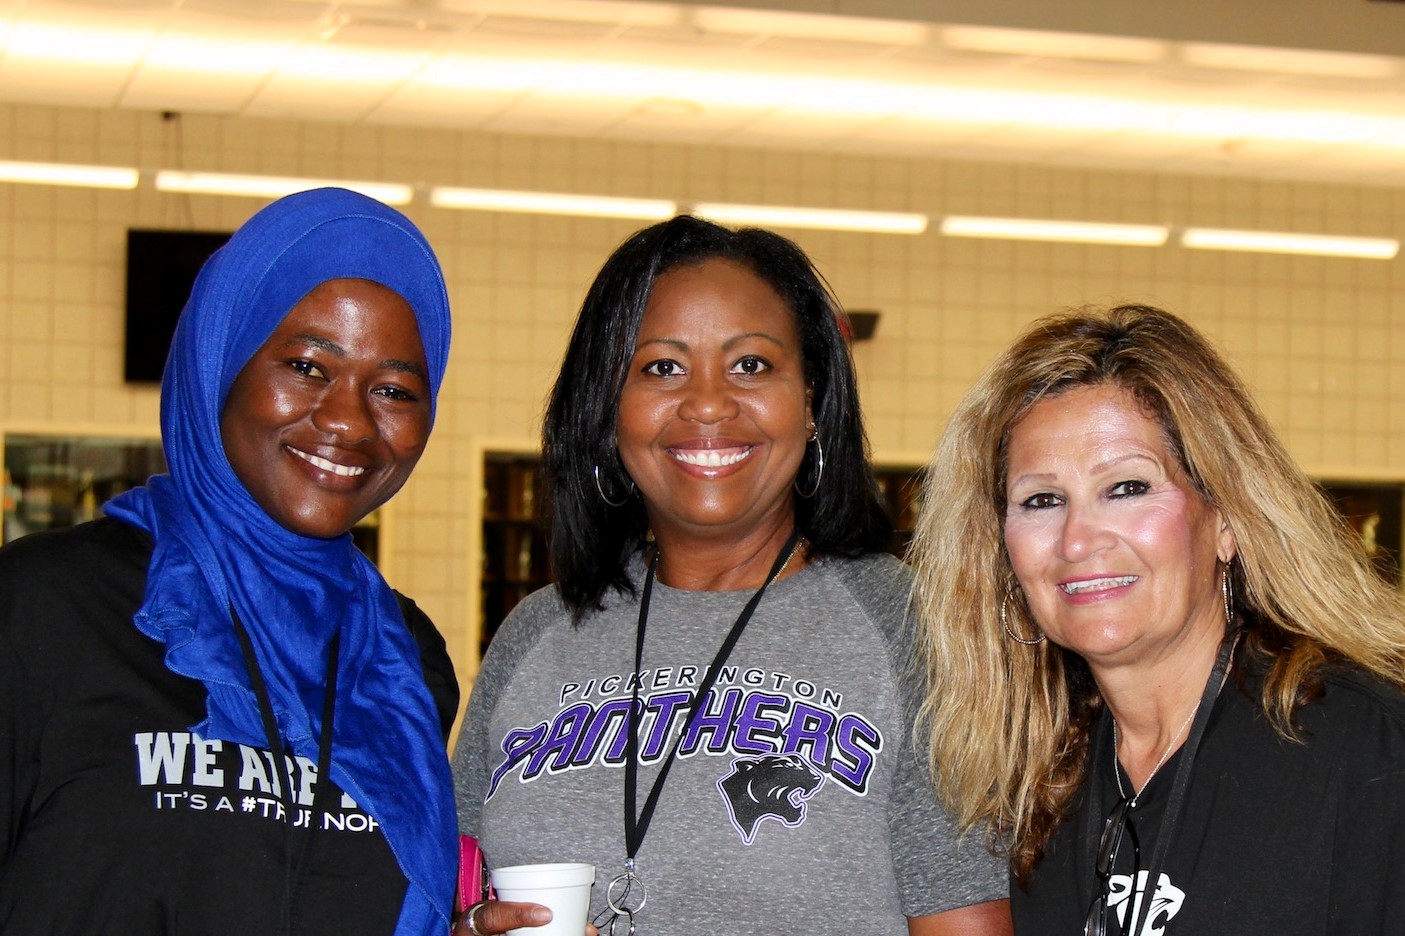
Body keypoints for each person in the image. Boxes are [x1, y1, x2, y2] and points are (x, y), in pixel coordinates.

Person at [452, 214, 1011, 936]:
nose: (708, 403)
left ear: (811, 402)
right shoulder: (538, 632)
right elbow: (452, 891)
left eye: (751, 365)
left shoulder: (909, 630)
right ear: (606, 409)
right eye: (661, 367)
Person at [0, 188, 461, 935]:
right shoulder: (46, 607)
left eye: (393, 389)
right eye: (309, 366)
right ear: (220, 362)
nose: (348, 420)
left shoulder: (402, 660)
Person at [909, 304, 1405, 934]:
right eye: (1041, 500)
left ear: (1228, 517)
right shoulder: (1036, 783)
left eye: (1127, 488)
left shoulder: (1365, 750)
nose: (1077, 539)